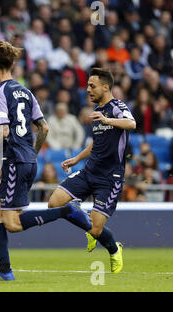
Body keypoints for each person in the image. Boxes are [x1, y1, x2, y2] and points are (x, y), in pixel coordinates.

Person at [0, 41, 91, 281]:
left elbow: (2, 131)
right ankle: (5, 271)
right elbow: (44, 128)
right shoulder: (26, 92)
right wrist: (32, 153)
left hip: (15, 161)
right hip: (27, 160)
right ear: (12, 64)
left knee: (12, 224)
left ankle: (67, 210)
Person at [48, 68, 136, 274]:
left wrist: (107, 120)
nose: (88, 90)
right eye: (88, 85)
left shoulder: (116, 107)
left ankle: (114, 248)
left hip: (110, 178)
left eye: (92, 86)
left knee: (96, 230)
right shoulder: (98, 111)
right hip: (89, 171)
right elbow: (95, 144)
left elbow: (131, 123)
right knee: (53, 202)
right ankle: (86, 220)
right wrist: (76, 158)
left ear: (106, 87)